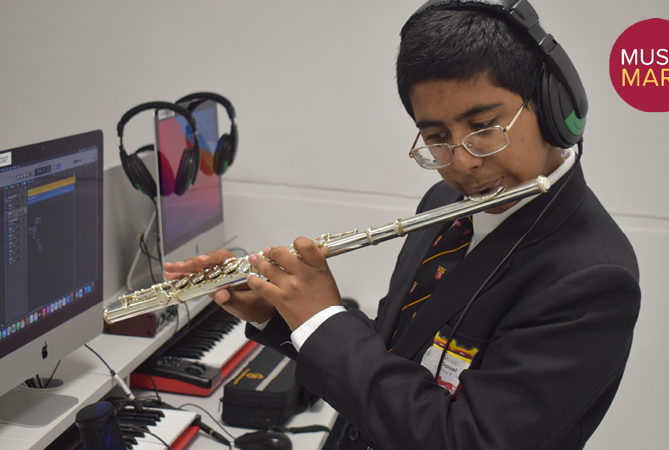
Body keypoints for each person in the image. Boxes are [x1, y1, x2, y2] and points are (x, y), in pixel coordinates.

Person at [165, 1, 641, 449]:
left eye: (484, 127)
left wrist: (323, 320)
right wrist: (283, 313)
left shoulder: (591, 278)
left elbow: (463, 438)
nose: (462, 163)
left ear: (555, 108)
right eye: (437, 137)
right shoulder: (443, 201)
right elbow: (400, 354)